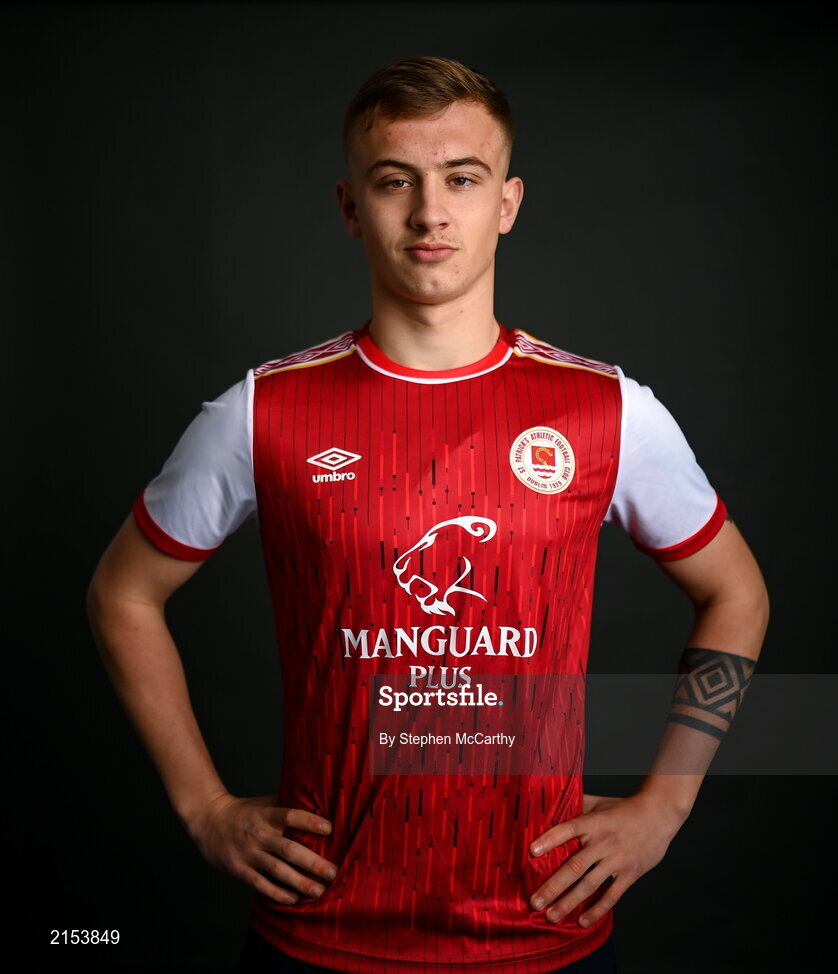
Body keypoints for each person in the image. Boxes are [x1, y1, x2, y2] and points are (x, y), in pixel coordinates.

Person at [86, 56, 769, 974]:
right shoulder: (261, 412)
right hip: (319, 935)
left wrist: (668, 803)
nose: (430, 213)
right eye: (394, 181)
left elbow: (738, 593)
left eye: (462, 178)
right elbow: (122, 595)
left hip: (544, 931)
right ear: (348, 206)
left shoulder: (609, 412)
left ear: (508, 203)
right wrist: (205, 807)